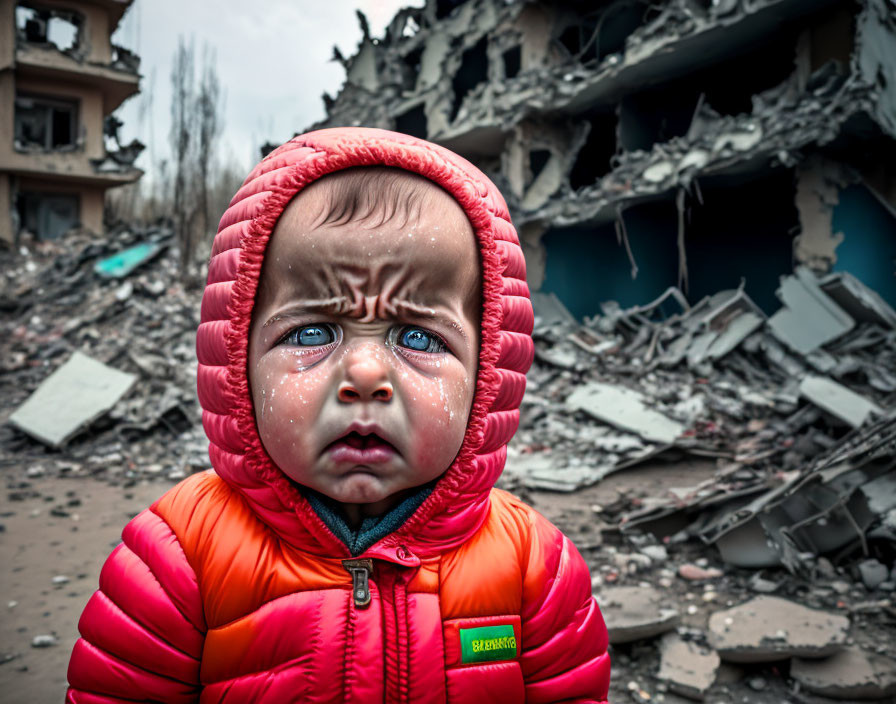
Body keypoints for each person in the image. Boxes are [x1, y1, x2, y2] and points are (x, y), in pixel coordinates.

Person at [66, 128, 610, 702]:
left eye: (420, 338)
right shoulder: (176, 558)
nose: (367, 376)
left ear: (490, 375)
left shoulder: (533, 570)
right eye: (311, 332)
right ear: (234, 361)